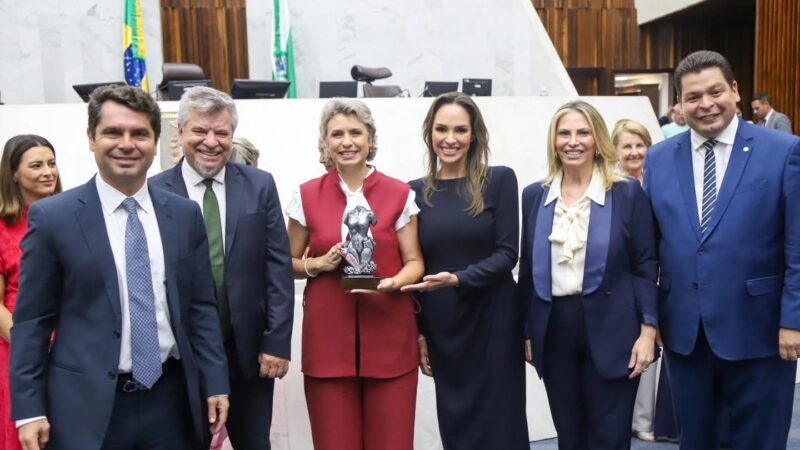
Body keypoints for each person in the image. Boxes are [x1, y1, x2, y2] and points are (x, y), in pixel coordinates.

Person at [9, 85, 230, 450]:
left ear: (155, 141)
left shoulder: (184, 215)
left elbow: (201, 308)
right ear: (91, 138)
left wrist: (216, 381)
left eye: (139, 133)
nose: (126, 144)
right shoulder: (53, 218)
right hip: (87, 408)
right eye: (113, 132)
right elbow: (32, 322)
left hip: (171, 403)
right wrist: (29, 409)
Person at [644, 50, 800, 449]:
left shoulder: (783, 151)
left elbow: (797, 244)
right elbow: (650, 248)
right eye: (693, 97)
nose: (706, 104)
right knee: (696, 441)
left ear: (735, 90)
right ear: (678, 105)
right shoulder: (659, 159)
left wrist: (794, 320)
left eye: (715, 91)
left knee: (760, 441)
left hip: (761, 330)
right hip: (685, 332)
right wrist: (650, 317)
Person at [150, 86, 293, 450]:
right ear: (180, 133)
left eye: (222, 133)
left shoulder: (260, 186)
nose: (211, 142)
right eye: (200, 131)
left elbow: (277, 267)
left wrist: (277, 341)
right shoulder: (154, 192)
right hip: (182, 357)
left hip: (248, 354)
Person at [519, 100, 659, 450]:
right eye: (564, 133)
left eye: (583, 132)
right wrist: (527, 331)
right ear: (554, 141)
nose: (573, 141)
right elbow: (528, 270)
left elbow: (645, 265)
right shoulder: (535, 195)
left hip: (615, 328)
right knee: (570, 437)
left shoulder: (626, 192)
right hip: (554, 330)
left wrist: (649, 330)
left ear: (598, 139)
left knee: (609, 438)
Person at [286, 99, 424, 450]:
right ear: (325, 143)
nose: (346, 141)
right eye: (337, 134)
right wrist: (316, 265)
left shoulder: (400, 194)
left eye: (355, 132)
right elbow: (285, 262)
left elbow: (415, 262)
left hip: (391, 339)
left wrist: (392, 283)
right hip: (328, 344)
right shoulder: (305, 195)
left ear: (369, 138)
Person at [400, 92, 528, 449]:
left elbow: (508, 254)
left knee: (502, 418)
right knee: (456, 419)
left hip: (495, 319)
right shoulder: (412, 192)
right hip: (443, 324)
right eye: (441, 129)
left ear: (474, 135)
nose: (450, 139)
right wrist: (420, 333)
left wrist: (459, 278)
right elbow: (414, 265)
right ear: (430, 133)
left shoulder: (500, 180)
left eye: (460, 129)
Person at [0, 135, 61, 450]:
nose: (48, 172)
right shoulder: (2, 226)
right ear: (12, 173)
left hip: (70, 350)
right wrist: (32, 348)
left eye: (51, 163)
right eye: (36, 165)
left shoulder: (68, 216)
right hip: (18, 349)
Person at [612, 119, 652, 184]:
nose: (634, 153)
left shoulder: (654, 179)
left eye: (639, 145)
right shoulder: (608, 184)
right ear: (615, 150)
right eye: (627, 146)